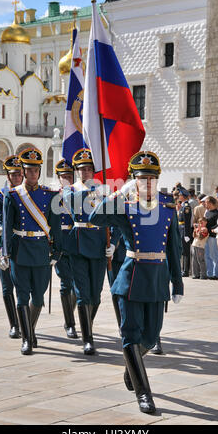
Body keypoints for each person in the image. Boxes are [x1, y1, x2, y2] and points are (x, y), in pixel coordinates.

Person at [89, 151, 183, 414]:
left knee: (151, 338)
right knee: (130, 335)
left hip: (157, 282)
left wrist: (178, 283)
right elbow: (95, 217)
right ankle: (144, 394)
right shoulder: (125, 206)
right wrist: (117, 194)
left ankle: (132, 366)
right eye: (142, 179)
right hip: (130, 280)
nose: (148, 184)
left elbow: (174, 248)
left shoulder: (167, 207)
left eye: (152, 178)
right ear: (134, 181)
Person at [4, 148, 62, 355]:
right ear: (23, 171)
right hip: (20, 250)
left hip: (40, 251)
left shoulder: (50, 195)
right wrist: (5, 253)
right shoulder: (12, 195)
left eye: (35, 171)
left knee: (38, 298)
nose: (32, 174)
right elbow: (7, 227)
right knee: (21, 296)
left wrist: (57, 252)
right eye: (28, 171)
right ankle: (27, 339)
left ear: (39, 171)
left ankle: (31, 328)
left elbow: (55, 226)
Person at [63, 149, 119, 355]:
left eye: (89, 169)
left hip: (98, 246)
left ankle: (87, 324)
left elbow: (116, 219)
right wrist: (100, 190)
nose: (85, 172)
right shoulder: (71, 190)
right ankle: (88, 338)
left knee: (95, 295)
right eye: (82, 169)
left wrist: (114, 242)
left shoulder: (104, 190)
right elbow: (75, 202)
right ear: (77, 172)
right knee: (82, 294)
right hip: (78, 246)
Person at [0, 156, 24, 339]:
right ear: (7, 175)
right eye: (14, 174)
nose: (17, 178)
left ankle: (24, 321)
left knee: (22, 287)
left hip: (22, 246)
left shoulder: (27, 195)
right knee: (6, 287)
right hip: (4, 247)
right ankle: (14, 324)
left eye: (20, 174)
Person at [54, 159, 78, 339]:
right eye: (63, 177)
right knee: (66, 284)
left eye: (69, 176)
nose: (66, 180)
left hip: (77, 243)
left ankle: (70, 316)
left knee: (77, 286)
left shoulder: (79, 195)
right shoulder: (52, 196)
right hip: (60, 244)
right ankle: (70, 323)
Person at [204, 196, 218, 280]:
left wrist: (209, 229)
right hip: (206, 236)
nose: (205, 204)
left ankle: (216, 274)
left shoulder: (217, 213)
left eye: (206, 203)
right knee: (207, 255)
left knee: (214, 255)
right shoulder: (207, 212)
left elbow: (217, 225)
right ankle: (209, 273)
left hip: (213, 236)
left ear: (210, 203)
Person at [178, 187, 193, 277]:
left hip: (184, 231)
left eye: (180, 195)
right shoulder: (183, 206)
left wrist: (187, 234)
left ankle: (186, 270)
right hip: (181, 230)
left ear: (183, 196)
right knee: (183, 251)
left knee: (186, 252)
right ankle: (183, 269)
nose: (179, 196)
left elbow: (187, 222)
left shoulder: (186, 207)